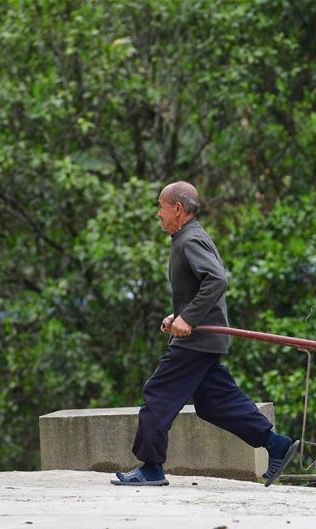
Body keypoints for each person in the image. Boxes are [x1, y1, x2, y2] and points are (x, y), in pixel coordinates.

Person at [112, 181, 298, 487]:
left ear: (178, 209)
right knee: (215, 403)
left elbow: (216, 280)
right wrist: (180, 315)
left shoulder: (190, 240)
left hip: (195, 342)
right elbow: (203, 287)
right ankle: (275, 444)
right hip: (203, 339)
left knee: (158, 393)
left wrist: (190, 318)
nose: (158, 214)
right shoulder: (188, 237)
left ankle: (152, 468)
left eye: (161, 207)